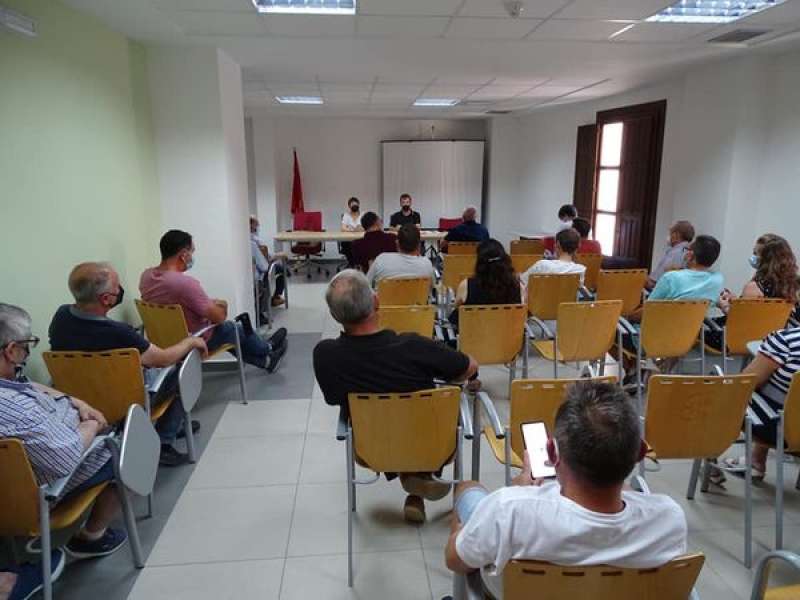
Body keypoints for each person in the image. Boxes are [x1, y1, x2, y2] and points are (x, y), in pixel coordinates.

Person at [445, 380, 687, 600]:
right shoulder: (669, 519)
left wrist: (517, 491)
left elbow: (455, 561)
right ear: (640, 453)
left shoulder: (509, 510)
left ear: (552, 452)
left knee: (469, 489)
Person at [313, 270, 478, 523]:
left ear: (335, 316)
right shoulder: (414, 346)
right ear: (376, 301)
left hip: (373, 447)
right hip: (430, 443)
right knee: (436, 408)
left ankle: (412, 482)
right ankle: (418, 477)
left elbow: (334, 398)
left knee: (393, 421)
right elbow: (469, 367)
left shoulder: (326, 355)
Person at [0, 304, 129, 599]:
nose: (27, 353)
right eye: (27, 345)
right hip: (40, 487)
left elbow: (29, 386)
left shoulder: (11, 379)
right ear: (11, 351)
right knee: (126, 448)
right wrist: (91, 427)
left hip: (14, 484)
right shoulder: (17, 411)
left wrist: (75, 401)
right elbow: (65, 456)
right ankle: (91, 537)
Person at [49, 262, 207, 467]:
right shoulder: (119, 333)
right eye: (117, 287)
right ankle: (164, 441)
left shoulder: (61, 317)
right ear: (106, 299)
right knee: (180, 372)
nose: (120, 289)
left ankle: (172, 427)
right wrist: (190, 342)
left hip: (81, 400)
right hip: (126, 400)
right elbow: (163, 358)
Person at [140, 230, 287, 373]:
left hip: (163, 341)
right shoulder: (184, 284)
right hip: (194, 340)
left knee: (230, 335)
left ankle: (268, 361)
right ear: (183, 255)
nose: (192, 257)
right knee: (232, 328)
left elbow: (176, 302)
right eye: (192, 252)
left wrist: (207, 303)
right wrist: (222, 304)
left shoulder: (147, 277)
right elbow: (219, 317)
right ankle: (267, 348)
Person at [722, 325, 800, 481]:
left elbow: (744, 384)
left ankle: (710, 462)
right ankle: (755, 459)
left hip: (785, 434)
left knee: (727, 395)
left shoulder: (786, 341)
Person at [708, 234, 799, 351]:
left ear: (766, 260)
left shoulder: (754, 287)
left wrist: (724, 306)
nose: (753, 257)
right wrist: (738, 302)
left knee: (699, 328)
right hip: (778, 343)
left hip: (741, 339)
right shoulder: (794, 286)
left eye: (756, 254)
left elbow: (742, 321)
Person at [647, 234, 723, 305]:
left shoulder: (670, 278)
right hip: (698, 315)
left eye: (686, 249)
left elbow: (648, 307)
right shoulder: (718, 279)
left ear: (690, 254)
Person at [366, 223, 434, 288]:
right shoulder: (427, 264)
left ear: (397, 243)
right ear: (419, 245)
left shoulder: (381, 260)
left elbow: (366, 285)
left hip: (385, 296)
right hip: (417, 296)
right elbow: (431, 289)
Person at [520, 228, 586, 290]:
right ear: (577, 248)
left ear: (557, 245)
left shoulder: (542, 264)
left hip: (541, 298)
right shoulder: (581, 270)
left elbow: (523, 281)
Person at [250, 216, 286, 311]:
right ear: (251, 225)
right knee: (281, 268)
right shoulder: (253, 242)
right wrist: (274, 258)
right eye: (256, 223)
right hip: (260, 273)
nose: (258, 225)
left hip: (260, 266)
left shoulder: (249, 239)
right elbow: (264, 265)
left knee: (280, 267)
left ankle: (275, 297)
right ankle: (275, 297)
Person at [647, 220, 695, 290]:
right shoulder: (691, 251)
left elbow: (653, 282)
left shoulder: (674, 253)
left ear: (677, 235)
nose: (669, 236)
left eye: (670, 232)